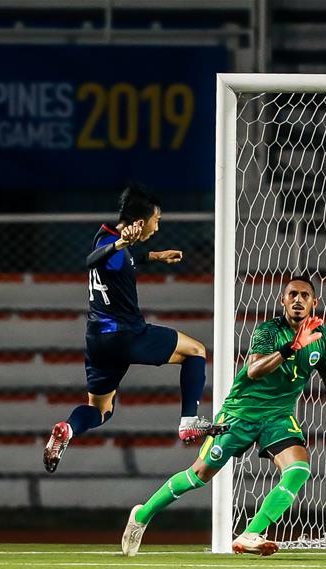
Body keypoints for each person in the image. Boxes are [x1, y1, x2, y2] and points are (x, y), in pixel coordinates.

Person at [120, 275, 326, 556]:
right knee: (199, 475)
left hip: (278, 416)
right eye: (292, 295)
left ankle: (251, 532)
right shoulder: (268, 332)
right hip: (240, 413)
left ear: (315, 302)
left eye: (304, 295)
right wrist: (292, 347)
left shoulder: (321, 338)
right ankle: (142, 515)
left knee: (298, 470)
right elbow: (254, 370)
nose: (298, 300)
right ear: (283, 301)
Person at [43, 183, 225, 473]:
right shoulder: (112, 246)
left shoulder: (104, 235)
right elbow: (93, 261)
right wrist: (119, 245)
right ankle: (189, 422)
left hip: (97, 341)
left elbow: (119, 261)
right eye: (157, 220)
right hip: (126, 335)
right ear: (140, 222)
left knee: (102, 410)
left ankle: (68, 428)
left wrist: (153, 256)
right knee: (196, 351)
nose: (157, 226)